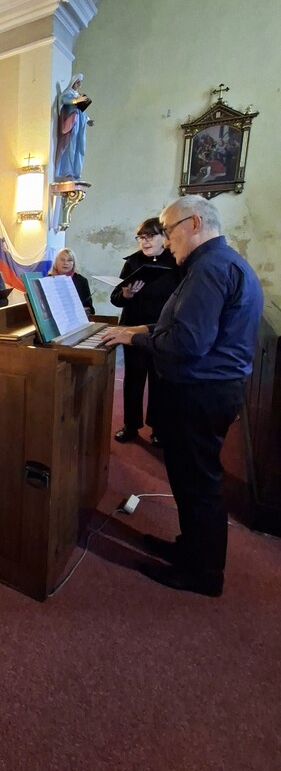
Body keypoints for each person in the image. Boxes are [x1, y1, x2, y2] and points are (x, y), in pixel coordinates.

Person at [99, 196, 263, 597]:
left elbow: (187, 343)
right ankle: (190, 549)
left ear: (194, 223)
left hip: (200, 390)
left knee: (198, 484)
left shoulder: (209, 269)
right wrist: (139, 329)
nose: (167, 240)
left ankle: (203, 573)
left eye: (169, 231)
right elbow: (181, 325)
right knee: (191, 480)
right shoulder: (217, 262)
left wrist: (137, 339)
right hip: (208, 388)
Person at [110, 217, 180, 445]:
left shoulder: (175, 262)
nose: (145, 241)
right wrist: (126, 295)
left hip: (162, 329)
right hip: (133, 329)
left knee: (160, 380)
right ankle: (130, 426)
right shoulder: (132, 262)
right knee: (133, 379)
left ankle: (158, 428)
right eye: (141, 237)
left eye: (150, 236)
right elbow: (115, 298)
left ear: (164, 237)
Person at [55, 73, 93, 181]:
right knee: (71, 147)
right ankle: (68, 171)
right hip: (72, 124)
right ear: (73, 82)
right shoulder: (68, 93)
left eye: (80, 83)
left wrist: (88, 120)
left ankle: (76, 172)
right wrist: (76, 101)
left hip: (80, 125)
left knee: (79, 148)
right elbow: (65, 100)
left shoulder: (78, 95)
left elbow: (82, 111)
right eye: (78, 82)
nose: (79, 85)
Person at [49, 247, 93, 314]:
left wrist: (83, 310)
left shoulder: (82, 281)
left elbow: (90, 309)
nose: (66, 263)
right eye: (62, 260)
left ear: (73, 263)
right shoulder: (47, 279)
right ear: (56, 262)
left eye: (69, 260)